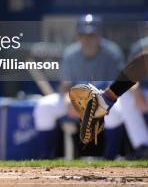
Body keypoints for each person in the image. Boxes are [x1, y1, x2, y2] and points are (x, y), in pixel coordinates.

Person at [32, 14, 130, 159]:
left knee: (116, 109)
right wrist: (67, 100)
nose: (87, 39)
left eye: (92, 35)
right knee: (44, 107)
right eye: (84, 35)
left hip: (104, 99)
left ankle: (111, 157)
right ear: (78, 36)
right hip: (77, 99)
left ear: (99, 36)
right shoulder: (71, 54)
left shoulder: (112, 53)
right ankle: (46, 158)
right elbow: (65, 86)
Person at [69, 21, 148, 157]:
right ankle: (142, 148)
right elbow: (141, 63)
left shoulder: (111, 53)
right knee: (126, 97)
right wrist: (109, 98)